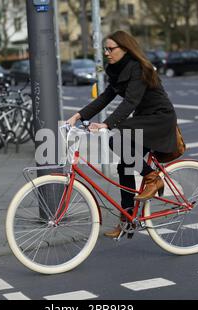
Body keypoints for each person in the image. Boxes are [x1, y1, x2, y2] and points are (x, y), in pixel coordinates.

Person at [66, 30, 178, 238]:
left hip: (159, 118)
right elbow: (105, 98)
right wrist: (78, 116)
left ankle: (153, 178)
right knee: (124, 166)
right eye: (105, 49)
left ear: (125, 49)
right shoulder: (117, 70)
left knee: (116, 137)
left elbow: (130, 102)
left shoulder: (137, 68)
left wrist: (106, 125)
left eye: (111, 49)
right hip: (145, 118)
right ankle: (128, 220)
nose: (107, 53)